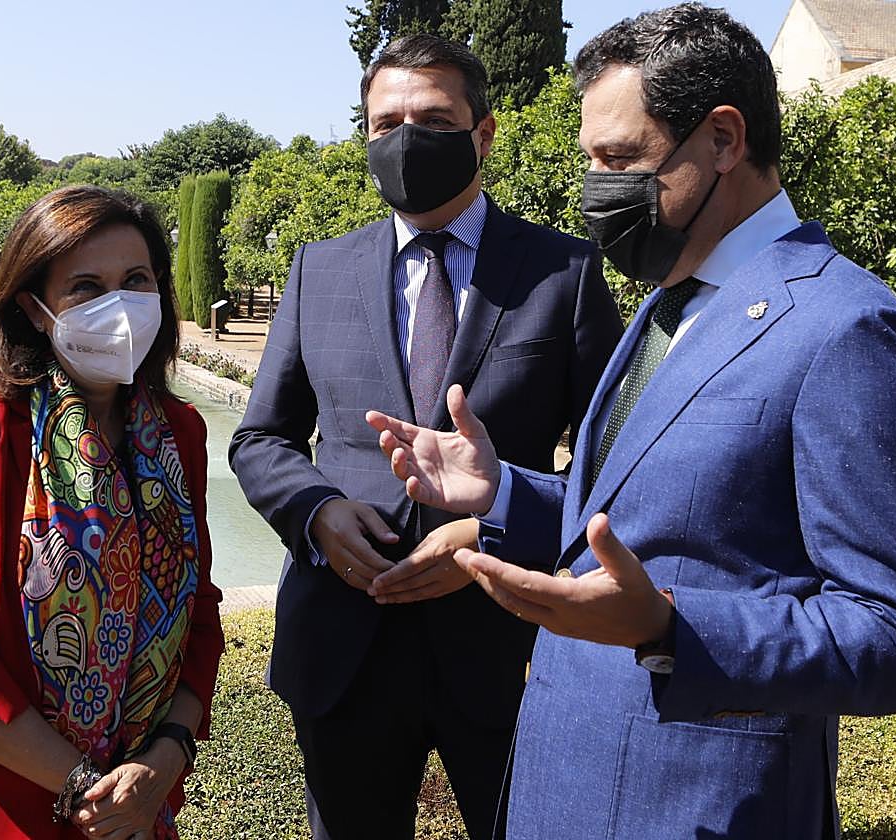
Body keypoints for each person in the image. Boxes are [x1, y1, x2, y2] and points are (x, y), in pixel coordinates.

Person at [366, 5, 896, 839]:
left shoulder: (848, 331)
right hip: (560, 785)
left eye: (622, 159)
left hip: (698, 809)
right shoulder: (665, 303)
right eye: (591, 160)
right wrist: (500, 494)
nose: (598, 188)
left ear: (723, 139)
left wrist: (669, 627)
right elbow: (648, 516)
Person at [229, 34, 622, 840]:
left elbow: (615, 458)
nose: (405, 138)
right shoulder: (318, 269)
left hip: (504, 639)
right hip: (343, 640)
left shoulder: (564, 271)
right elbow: (261, 438)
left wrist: (496, 529)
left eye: (433, 118)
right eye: (385, 122)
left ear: (483, 133)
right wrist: (316, 514)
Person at [0, 185, 225, 839]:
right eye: (85, 288)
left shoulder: (178, 434)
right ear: (34, 308)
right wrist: (86, 788)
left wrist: (161, 764)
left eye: (135, 280)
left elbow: (196, 610)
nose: (117, 307)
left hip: (138, 802)